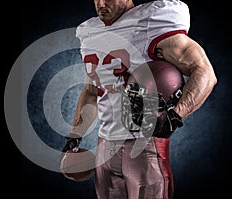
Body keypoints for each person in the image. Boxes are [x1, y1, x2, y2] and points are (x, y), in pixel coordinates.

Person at [62, 0, 217, 198]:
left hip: (145, 145)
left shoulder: (150, 22)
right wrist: (76, 134)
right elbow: (92, 91)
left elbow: (205, 72)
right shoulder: (91, 31)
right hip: (105, 146)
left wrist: (175, 115)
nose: (101, 3)